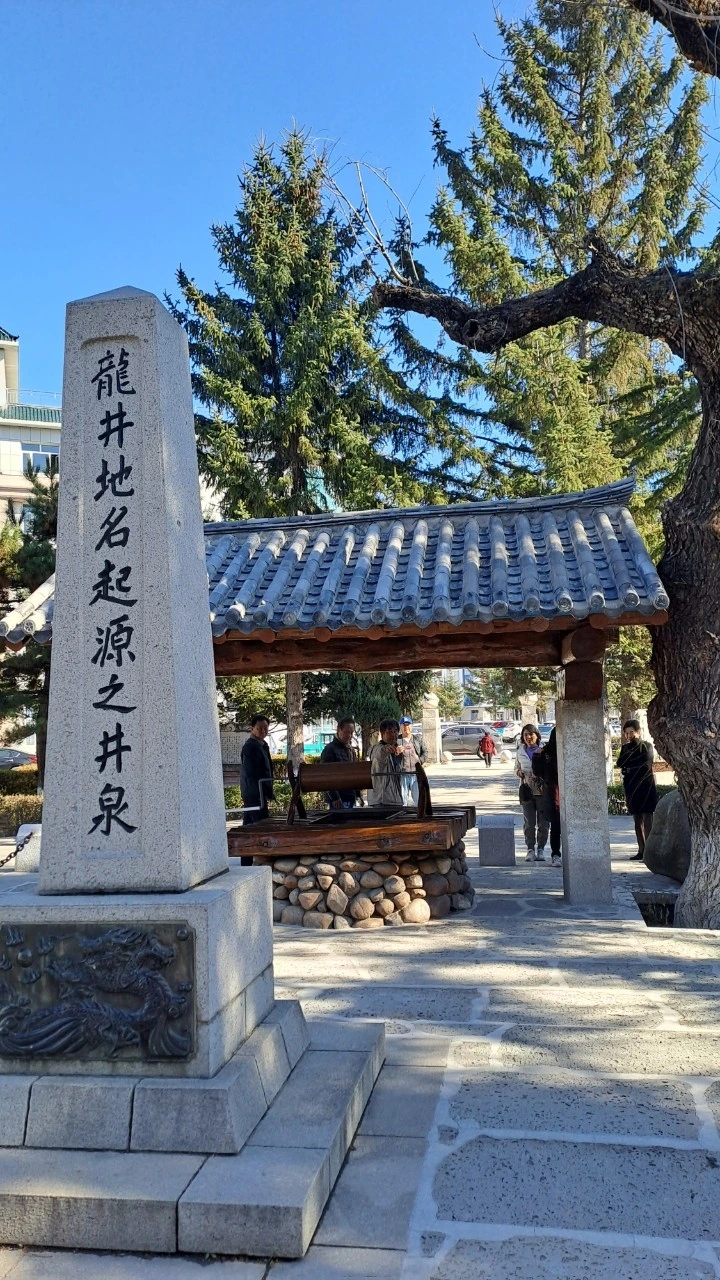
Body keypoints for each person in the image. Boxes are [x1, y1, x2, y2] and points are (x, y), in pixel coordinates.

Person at [617, 719, 658, 859]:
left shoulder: (646, 746)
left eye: (631, 732)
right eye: (626, 733)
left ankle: (650, 852)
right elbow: (620, 763)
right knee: (637, 820)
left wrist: (629, 768)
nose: (629, 736)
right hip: (631, 787)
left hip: (646, 787)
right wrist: (630, 765)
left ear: (638, 732)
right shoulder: (625, 749)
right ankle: (641, 850)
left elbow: (646, 765)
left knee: (647, 819)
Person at [239, 714, 274, 866]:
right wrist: (259, 792)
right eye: (259, 728)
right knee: (257, 826)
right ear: (252, 728)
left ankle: (246, 860)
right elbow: (250, 772)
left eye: (265, 728)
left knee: (249, 826)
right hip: (254, 793)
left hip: (258, 792)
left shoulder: (262, 745)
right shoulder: (250, 746)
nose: (263, 731)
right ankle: (254, 860)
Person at [515, 724, 548, 861]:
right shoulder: (520, 751)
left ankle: (541, 849)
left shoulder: (544, 750)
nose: (529, 737)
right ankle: (530, 849)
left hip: (542, 791)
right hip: (527, 792)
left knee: (543, 823)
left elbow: (550, 769)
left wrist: (540, 775)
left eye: (531, 734)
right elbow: (516, 768)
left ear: (537, 735)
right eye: (526, 735)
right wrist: (519, 772)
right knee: (529, 823)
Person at [532, 727, 562, 866]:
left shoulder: (570, 750)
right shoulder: (547, 752)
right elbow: (538, 772)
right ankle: (556, 854)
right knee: (556, 824)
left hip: (570, 792)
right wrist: (537, 756)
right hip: (553, 792)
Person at [320, 718, 363, 809]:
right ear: (339, 730)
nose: (350, 735)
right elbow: (325, 775)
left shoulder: (351, 749)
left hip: (350, 795)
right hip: (338, 799)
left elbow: (354, 774)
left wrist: (358, 794)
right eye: (347, 732)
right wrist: (335, 797)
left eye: (352, 732)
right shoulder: (330, 749)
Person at [367, 719, 404, 806]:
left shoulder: (397, 750)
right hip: (381, 800)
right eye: (389, 731)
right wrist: (386, 750)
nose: (393, 734)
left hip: (395, 799)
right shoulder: (377, 748)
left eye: (395, 731)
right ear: (382, 733)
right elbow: (379, 754)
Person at [398, 716, 427, 806]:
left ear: (412, 726)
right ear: (400, 727)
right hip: (403, 774)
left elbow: (425, 753)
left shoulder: (418, 739)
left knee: (419, 800)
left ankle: (419, 814)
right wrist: (397, 752)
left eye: (408, 725)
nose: (406, 727)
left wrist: (419, 761)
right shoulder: (397, 741)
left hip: (416, 774)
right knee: (402, 801)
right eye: (404, 725)